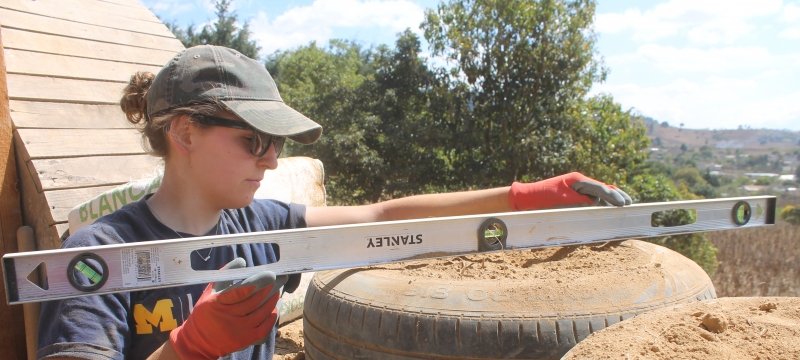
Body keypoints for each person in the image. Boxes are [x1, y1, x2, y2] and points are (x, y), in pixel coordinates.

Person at [37, 45, 632, 360]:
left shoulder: (261, 224)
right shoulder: (100, 257)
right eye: (255, 140)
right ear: (185, 133)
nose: (272, 160)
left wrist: (522, 197)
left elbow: (381, 217)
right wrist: (187, 348)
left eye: (275, 144)